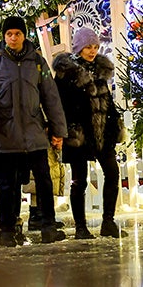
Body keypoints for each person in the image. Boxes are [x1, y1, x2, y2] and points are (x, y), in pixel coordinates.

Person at [0, 15, 68, 247]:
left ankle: (48, 226)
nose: (13, 38)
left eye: (17, 33)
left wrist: (58, 131)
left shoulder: (37, 62)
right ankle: (6, 229)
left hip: (34, 133)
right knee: (9, 184)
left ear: (24, 35)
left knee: (44, 181)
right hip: (6, 135)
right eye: (9, 34)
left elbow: (50, 97)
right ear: (4, 37)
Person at [52, 27, 126, 239]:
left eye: (95, 46)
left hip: (102, 131)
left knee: (112, 173)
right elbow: (60, 103)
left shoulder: (100, 70)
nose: (92, 51)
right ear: (78, 47)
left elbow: (106, 100)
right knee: (79, 180)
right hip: (79, 133)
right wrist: (64, 129)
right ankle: (81, 227)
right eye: (88, 47)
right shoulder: (67, 72)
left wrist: (114, 124)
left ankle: (108, 221)